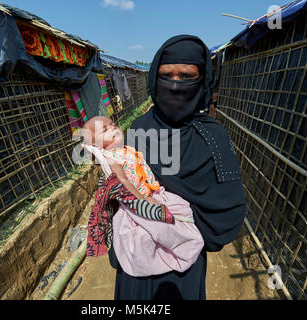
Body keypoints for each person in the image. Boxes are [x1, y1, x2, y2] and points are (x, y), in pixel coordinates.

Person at [110, 34, 247, 300]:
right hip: (136, 258)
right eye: (166, 75)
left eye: (186, 76)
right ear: (154, 78)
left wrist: (175, 226)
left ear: (203, 79)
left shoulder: (214, 137)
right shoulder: (139, 130)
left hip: (185, 262)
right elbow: (120, 191)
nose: (175, 85)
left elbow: (227, 212)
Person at [81, 116, 204, 278]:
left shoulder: (125, 150)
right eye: (105, 130)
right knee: (153, 231)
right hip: (135, 203)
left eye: (113, 124)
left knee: (182, 208)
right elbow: (123, 182)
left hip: (151, 193)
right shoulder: (111, 160)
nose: (113, 128)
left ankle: (181, 244)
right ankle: (172, 253)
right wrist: (143, 200)